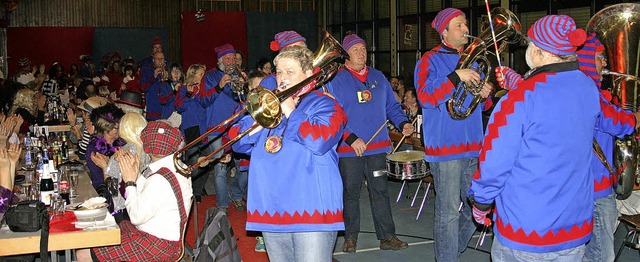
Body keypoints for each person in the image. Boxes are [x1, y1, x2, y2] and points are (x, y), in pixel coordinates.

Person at [469, 15, 599, 261]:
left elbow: (494, 161)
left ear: (540, 51)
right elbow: (555, 115)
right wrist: (520, 84)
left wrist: (481, 203)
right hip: (574, 227)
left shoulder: (519, 98)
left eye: (530, 45)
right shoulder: (588, 88)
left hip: (526, 230)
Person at [231, 45, 347, 261]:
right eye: (279, 72)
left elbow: (319, 141)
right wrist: (256, 125)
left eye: (290, 71)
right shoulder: (268, 107)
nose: (283, 77)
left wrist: (291, 111)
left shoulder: (326, 104)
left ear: (309, 74)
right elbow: (236, 142)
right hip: (271, 208)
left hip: (311, 209)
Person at [413, 8, 492, 260]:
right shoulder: (429, 60)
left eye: (465, 24)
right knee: (447, 213)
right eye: (459, 25)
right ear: (444, 32)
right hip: (445, 149)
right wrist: (455, 76)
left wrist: (485, 95)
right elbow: (425, 96)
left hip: (473, 147)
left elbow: (480, 106)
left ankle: (451, 246)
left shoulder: (477, 61)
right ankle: (447, 256)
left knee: (478, 207)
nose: (466, 29)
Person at [324, 33, 412, 253]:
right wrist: (351, 138)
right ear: (345, 55)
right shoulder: (335, 79)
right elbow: (331, 114)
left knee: (380, 191)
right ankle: (350, 237)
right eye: (356, 49)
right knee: (351, 193)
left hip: (377, 149)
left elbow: (392, 107)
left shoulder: (378, 76)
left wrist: (403, 124)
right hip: (349, 149)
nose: (361, 53)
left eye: (363, 49)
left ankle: (387, 237)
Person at [77, 120, 193, 262]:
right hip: (163, 237)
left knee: (83, 253)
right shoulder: (178, 167)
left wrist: (130, 182)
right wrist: (136, 174)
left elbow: (136, 217)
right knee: (109, 230)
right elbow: (151, 196)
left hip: (158, 246)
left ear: (148, 148)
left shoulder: (158, 179)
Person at [577, 33, 640, 262]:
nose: (605, 62)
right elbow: (615, 122)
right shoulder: (589, 93)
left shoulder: (585, 90)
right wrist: (635, 117)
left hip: (589, 183)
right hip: (596, 186)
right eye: (599, 57)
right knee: (602, 254)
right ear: (585, 61)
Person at [199, 44, 239, 210]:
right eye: (228, 58)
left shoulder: (237, 76)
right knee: (220, 168)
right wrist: (219, 86)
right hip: (216, 129)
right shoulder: (210, 76)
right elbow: (203, 100)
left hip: (236, 126)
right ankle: (223, 203)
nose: (231, 62)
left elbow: (242, 98)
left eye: (233, 58)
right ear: (220, 61)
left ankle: (238, 193)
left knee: (242, 166)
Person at [175, 64, 208, 200]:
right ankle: (192, 189)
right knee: (193, 163)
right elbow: (178, 106)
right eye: (201, 74)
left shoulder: (205, 90)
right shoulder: (183, 89)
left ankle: (198, 190)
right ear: (193, 74)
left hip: (205, 127)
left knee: (207, 161)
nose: (203, 77)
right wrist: (188, 95)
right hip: (191, 129)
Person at [86, 103, 125, 189]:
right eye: (116, 128)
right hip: (103, 192)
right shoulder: (93, 149)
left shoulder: (124, 143)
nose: (120, 130)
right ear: (106, 128)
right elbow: (100, 180)